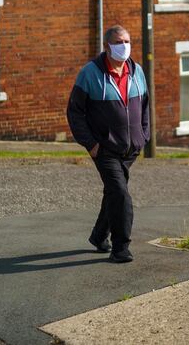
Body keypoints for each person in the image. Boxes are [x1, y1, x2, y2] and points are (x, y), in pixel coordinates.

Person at [66, 25, 149, 263]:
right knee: (121, 194)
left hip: (130, 148)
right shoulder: (90, 73)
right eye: (119, 42)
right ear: (107, 46)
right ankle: (120, 248)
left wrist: (143, 136)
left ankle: (99, 235)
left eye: (127, 41)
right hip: (104, 149)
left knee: (114, 192)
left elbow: (145, 106)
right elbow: (75, 112)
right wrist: (91, 144)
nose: (124, 46)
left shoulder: (137, 71)